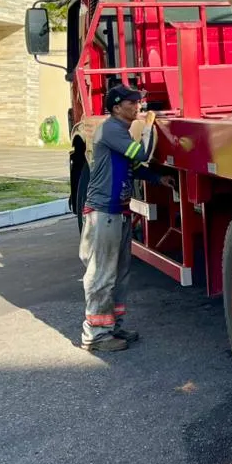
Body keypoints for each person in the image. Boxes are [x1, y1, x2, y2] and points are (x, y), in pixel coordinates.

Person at [79, 84, 169, 352]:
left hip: (118, 211)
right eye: (132, 102)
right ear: (117, 107)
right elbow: (140, 154)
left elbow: (131, 168)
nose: (138, 105)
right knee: (102, 276)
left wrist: (157, 178)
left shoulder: (120, 130)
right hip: (104, 213)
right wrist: (151, 126)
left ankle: (113, 326)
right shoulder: (111, 130)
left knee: (119, 274)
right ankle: (95, 335)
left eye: (138, 101)